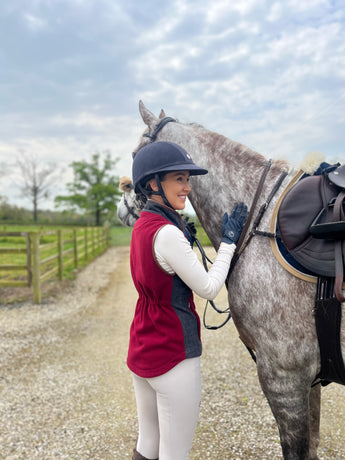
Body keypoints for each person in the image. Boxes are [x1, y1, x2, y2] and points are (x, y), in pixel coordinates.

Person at [127, 141, 248, 460]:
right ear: (154, 183)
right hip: (173, 355)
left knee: (147, 443)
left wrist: (182, 231)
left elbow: (166, 269)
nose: (187, 187)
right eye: (179, 178)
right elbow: (208, 288)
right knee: (174, 453)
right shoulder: (166, 234)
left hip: (143, 347)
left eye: (187, 179)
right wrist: (229, 242)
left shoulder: (143, 225)